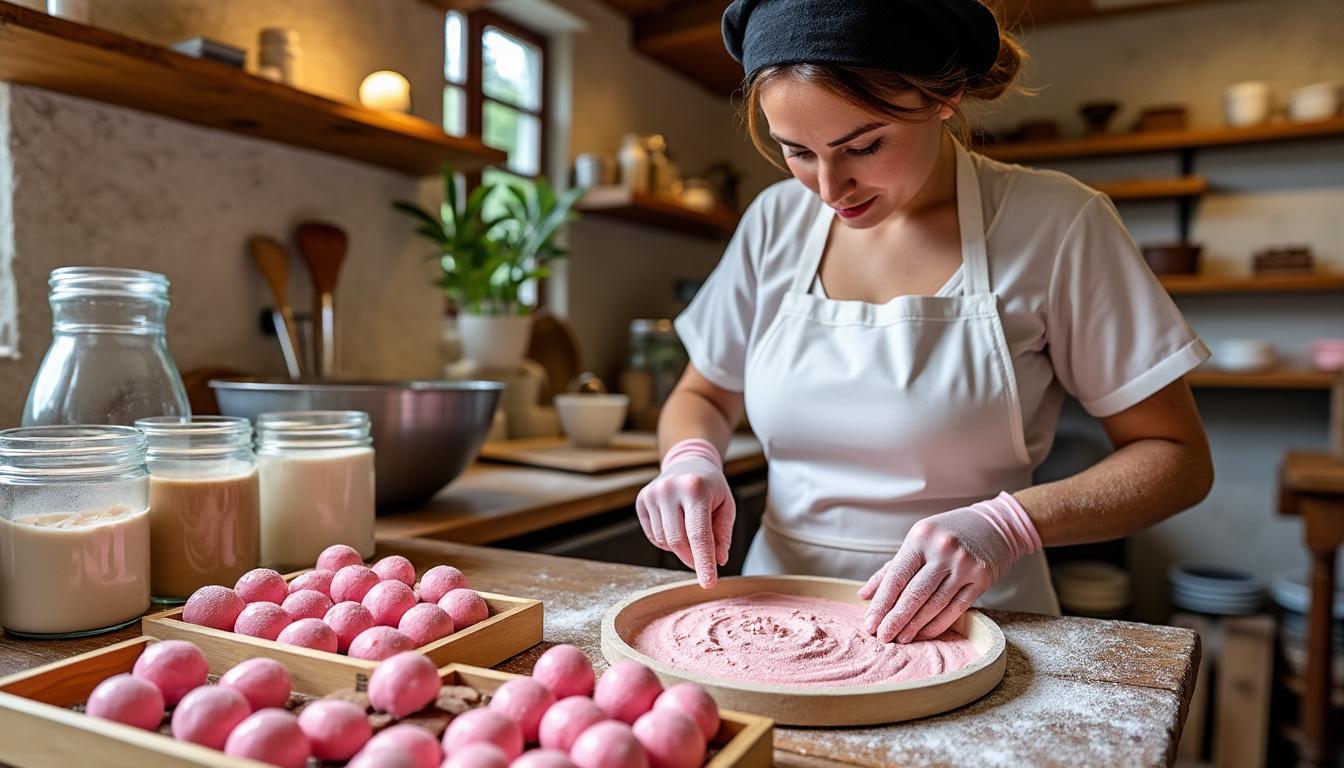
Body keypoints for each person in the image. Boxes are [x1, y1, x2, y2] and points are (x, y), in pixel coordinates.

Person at [634, 0, 1214, 645]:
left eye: (864, 145)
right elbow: (703, 394)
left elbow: (1176, 459)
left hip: (985, 625)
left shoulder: (1055, 223)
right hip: (779, 616)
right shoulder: (774, 222)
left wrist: (1009, 525)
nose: (830, 188)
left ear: (945, 96)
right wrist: (689, 457)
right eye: (796, 152)